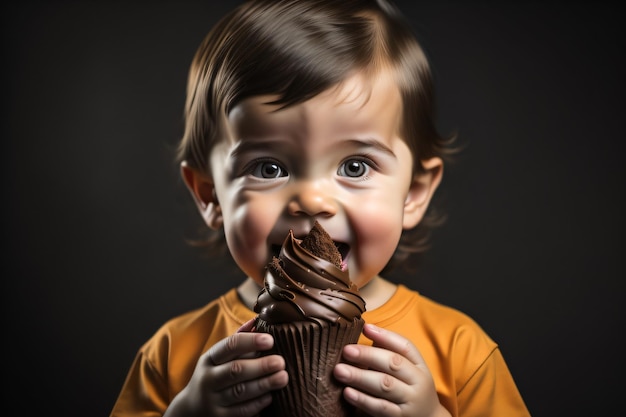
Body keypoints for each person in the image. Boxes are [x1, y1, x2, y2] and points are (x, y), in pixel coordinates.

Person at [111, 1, 530, 416]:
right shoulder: (173, 355)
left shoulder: (459, 349)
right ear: (210, 195)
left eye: (355, 166)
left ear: (413, 193)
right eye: (268, 167)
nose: (311, 200)